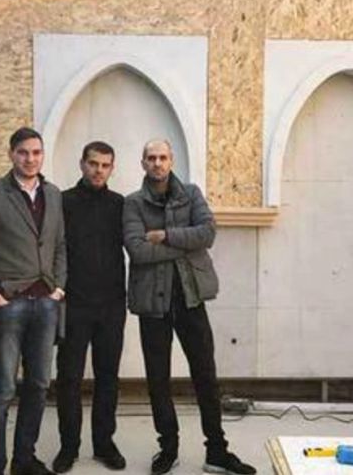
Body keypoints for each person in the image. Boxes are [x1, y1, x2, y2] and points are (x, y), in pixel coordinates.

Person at [123, 139, 257, 475]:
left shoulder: (192, 194)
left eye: (162, 157)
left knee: (205, 375)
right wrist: (186, 242)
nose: (157, 163)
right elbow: (138, 250)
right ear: (142, 163)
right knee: (158, 379)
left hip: (190, 298)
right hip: (153, 304)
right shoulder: (133, 203)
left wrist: (165, 236)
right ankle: (168, 449)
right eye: (151, 158)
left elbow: (208, 233)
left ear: (171, 160)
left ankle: (217, 451)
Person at [0, 127, 66, 475]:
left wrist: (59, 288)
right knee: (3, 391)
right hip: (9, 307)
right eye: (23, 152)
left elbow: (60, 245)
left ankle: (24, 460)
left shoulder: (53, 194)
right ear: (11, 155)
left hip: (46, 304)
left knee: (38, 386)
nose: (30, 159)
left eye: (36, 152)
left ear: (42, 155)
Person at [53, 142, 127, 473]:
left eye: (105, 165)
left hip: (112, 305)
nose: (99, 170)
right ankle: (68, 447)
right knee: (69, 378)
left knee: (108, 377)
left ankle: (104, 444)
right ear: (82, 164)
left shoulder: (120, 205)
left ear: (112, 169)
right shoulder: (63, 202)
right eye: (93, 163)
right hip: (74, 304)